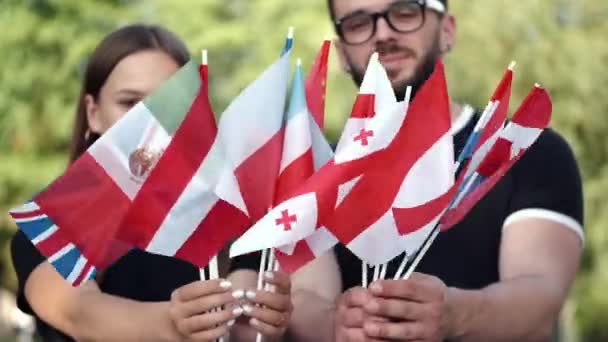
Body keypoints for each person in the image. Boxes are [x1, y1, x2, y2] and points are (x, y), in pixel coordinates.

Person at [278, 0, 584, 341]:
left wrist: (454, 314)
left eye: (405, 12)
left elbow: (540, 296)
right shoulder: (309, 177)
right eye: (358, 23)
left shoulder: (526, 152)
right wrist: (337, 326)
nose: (383, 34)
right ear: (341, 53)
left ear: (448, 31)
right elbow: (305, 296)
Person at [10, 24, 292, 342]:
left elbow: (241, 327)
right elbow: (79, 312)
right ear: (93, 113)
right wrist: (172, 322)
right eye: (130, 104)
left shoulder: (230, 221)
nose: (150, 123)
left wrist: (263, 320)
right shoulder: (50, 221)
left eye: (170, 105)